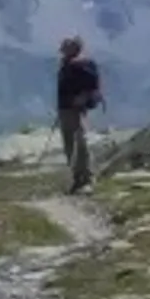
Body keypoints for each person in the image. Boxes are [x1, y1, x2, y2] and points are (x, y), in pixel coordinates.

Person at [53, 33, 104, 191]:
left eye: (66, 47)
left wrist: (82, 98)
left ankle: (85, 178)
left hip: (75, 109)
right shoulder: (67, 64)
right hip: (66, 108)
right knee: (70, 143)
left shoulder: (81, 64)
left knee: (78, 142)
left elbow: (91, 86)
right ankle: (78, 177)